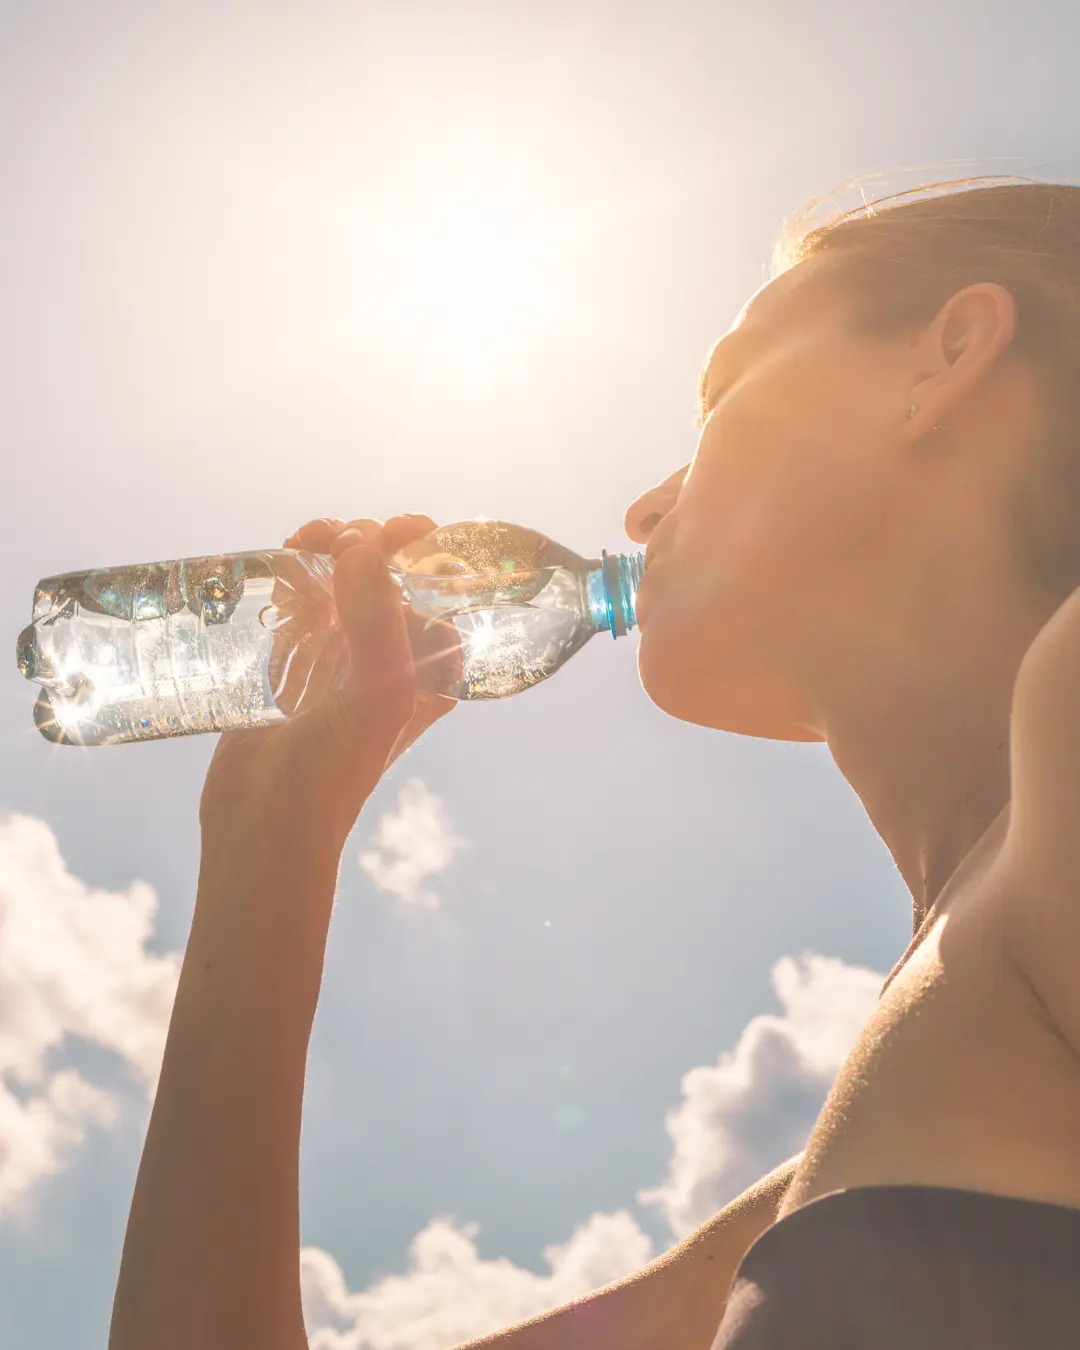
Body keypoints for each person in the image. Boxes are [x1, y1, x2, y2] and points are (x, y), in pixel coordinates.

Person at [108, 179, 1080, 1350]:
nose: (643, 503)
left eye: (720, 392)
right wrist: (270, 854)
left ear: (952, 354)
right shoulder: (849, 1186)